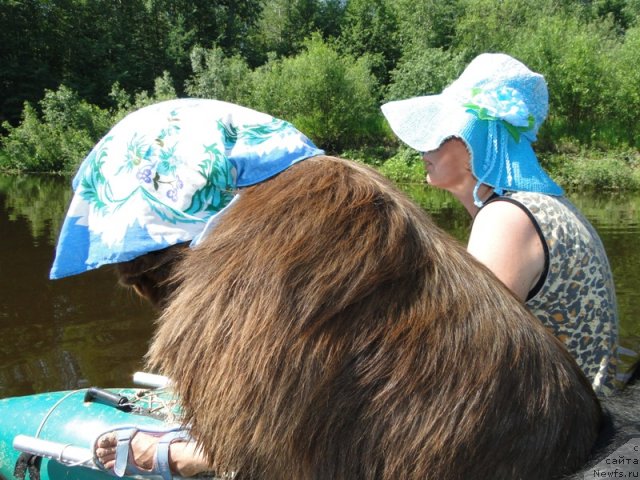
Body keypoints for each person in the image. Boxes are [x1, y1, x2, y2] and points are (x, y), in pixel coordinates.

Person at [50, 98, 325, 478]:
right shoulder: (329, 240)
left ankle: (189, 455)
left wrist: (176, 455)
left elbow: (298, 455)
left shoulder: (241, 317)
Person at [381, 52, 619, 395]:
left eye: (442, 132)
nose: (424, 150)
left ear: (481, 143)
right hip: (586, 426)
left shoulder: (507, 218)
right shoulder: (540, 207)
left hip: (559, 440)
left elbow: (466, 355)